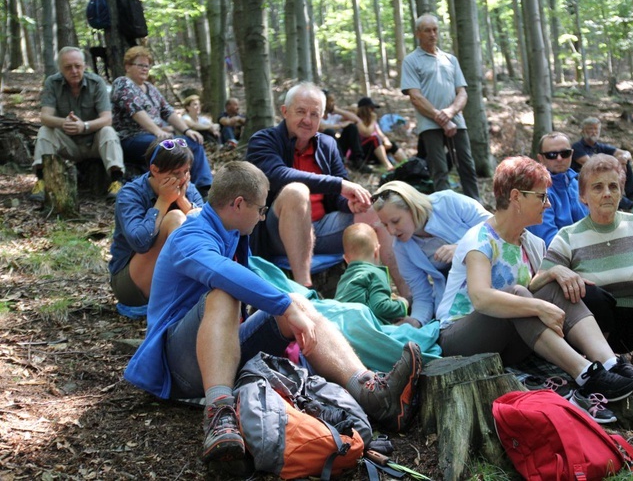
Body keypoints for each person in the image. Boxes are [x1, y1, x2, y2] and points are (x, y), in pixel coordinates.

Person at [123, 161, 422, 472]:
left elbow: (262, 289)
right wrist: (283, 306)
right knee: (226, 293)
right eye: (261, 209)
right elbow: (224, 273)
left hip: (222, 352)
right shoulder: (191, 235)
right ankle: (219, 414)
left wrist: (292, 307)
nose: (263, 216)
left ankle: (372, 394)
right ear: (238, 204)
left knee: (295, 302)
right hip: (178, 367)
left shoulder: (231, 231)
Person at [435, 156, 633, 422]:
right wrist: (539, 305)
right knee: (518, 295)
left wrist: (553, 273)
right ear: (516, 197)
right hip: (459, 340)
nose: (548, 203)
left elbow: (534, 288)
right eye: (541, 197)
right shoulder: (479, 239)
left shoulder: (533, 243)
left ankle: (610, 364)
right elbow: (481, 298)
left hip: (506, 340)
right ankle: (585, 373)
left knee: (555, 285)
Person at [532, 154, 633, 387]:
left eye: (613, 186)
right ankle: (604, 363)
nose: (607, 193)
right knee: (590, 294)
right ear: (583, 196)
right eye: (598, 187)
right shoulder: (568, 235)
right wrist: (555, 272)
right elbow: (536, 284)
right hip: (596, 327)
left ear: (622, 191)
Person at [246, 82, 403, 292]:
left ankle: (393, 294)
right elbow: (276, 176)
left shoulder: (327, 144)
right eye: (300, 111)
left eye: (314, 114)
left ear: (322, 117)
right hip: (277, 233)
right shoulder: (264, 140)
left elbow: (338, 196)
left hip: (323, 228)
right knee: (296, 191)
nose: (307, 120)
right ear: (285, 111)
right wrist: (340, 185)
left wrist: (350, 203)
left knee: (374, 210)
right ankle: (304, 288)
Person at [373, 182, 492, 327]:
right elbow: (422, 294)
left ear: (412, 207)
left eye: (395, 221)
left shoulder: (448, 202)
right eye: (385, 225)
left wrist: (461, 248)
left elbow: (494, 226)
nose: (391, 231)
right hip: (456, 303)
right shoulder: (401, 248)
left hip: (493, 279)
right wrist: (416, 321)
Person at [109, 139, 203, 307]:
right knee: (175, 218)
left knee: (195, 216)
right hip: (132, 285)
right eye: (175, 173)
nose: (182, 179)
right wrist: (164, 201)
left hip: (171, 279)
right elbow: (140, 243)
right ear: (155, 170)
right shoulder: (130, 194)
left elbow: (208, 230)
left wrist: (182, 200)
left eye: (186, 171)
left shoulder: (188, 187)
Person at [111, 46, 212, 196]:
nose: (145, 69)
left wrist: (187, 130)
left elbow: (168, 111)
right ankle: (170, 188)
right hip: (132, 138)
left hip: (155, 137)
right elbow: (136, 112)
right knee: (169, 147)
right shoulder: (123, 84)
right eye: (140, 65)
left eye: (147, 65)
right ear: (128, 66)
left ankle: (203, 188)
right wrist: (158, 131)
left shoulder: (150, 88)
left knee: (192, 142)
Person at [401, 13, 480, 202]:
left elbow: (462, 92)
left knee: (467, 166)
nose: (432, 34)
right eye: (427, 30)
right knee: (440, 169)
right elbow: (415, 96)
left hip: (457, 121)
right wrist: (440, 117)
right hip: (430, 124)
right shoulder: (411, 61)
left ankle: (477, 208)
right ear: (418, 33)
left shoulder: (450, 59)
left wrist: (451, 112)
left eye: (435, 30)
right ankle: (446, 211)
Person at [31, 46, 125, 203]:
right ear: (60, 68)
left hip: (94, 142)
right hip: (68, 144)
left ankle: (117, 181)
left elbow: (107, 118)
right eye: (68, 67)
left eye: (78, 66)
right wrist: (64, 123)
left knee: (108, 131)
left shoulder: (96, 83)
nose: (74, 71)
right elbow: (45, 117)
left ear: (84, 65)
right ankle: (42, 181)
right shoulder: (52, 83)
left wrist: (85, 126)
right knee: (45, 131)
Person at [335, 223, 413, 326]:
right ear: (376, 252)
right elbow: (380, 307)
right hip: (364, 329)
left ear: (346, 259)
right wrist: (402, 304)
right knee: (421, 330)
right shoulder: (375, 273)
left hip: (342, 327)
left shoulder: (344, 278)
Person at [527, 132, 589, 247]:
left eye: (565, 153)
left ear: (572, 154)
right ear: (541, 158)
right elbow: (549, 242)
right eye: (552, 155)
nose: (559, 159)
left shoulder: (578, 185)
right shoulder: (537, 192)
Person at [571, 117, 633, 209]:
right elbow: (591, 164)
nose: (594, 132)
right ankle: (629, 204)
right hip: (584, 180)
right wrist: (616, 163)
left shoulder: (600, 147)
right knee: (604, 177)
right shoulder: (577, 147)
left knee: (624, 162)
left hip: (603, 176)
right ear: (583, 130)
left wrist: (623, 158)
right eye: (591, 128)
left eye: (596, 129)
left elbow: (626, 153)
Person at [319, 90, 370, 172]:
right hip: (324, 150)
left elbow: (355, 120)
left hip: (338, 148)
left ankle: (357, 160)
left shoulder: (331, 116)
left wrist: (338, 110)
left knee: (351, 127)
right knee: (329, 132)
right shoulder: (316, 115)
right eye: (331, 101)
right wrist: (340, 125)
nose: (333, 103)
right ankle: (340, 164)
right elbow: (321, 127)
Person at [356, 97, 407, 171]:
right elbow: (367, 133)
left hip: (375, 149)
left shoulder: (373, 122)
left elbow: (380, 133)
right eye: (371, 108)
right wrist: (373, 120)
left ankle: (406, 163)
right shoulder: (358, 120)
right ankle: (388, 166)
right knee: (375, 139)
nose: (373, 111)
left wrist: (386, 140)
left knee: (392, 144)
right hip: (363, 150)